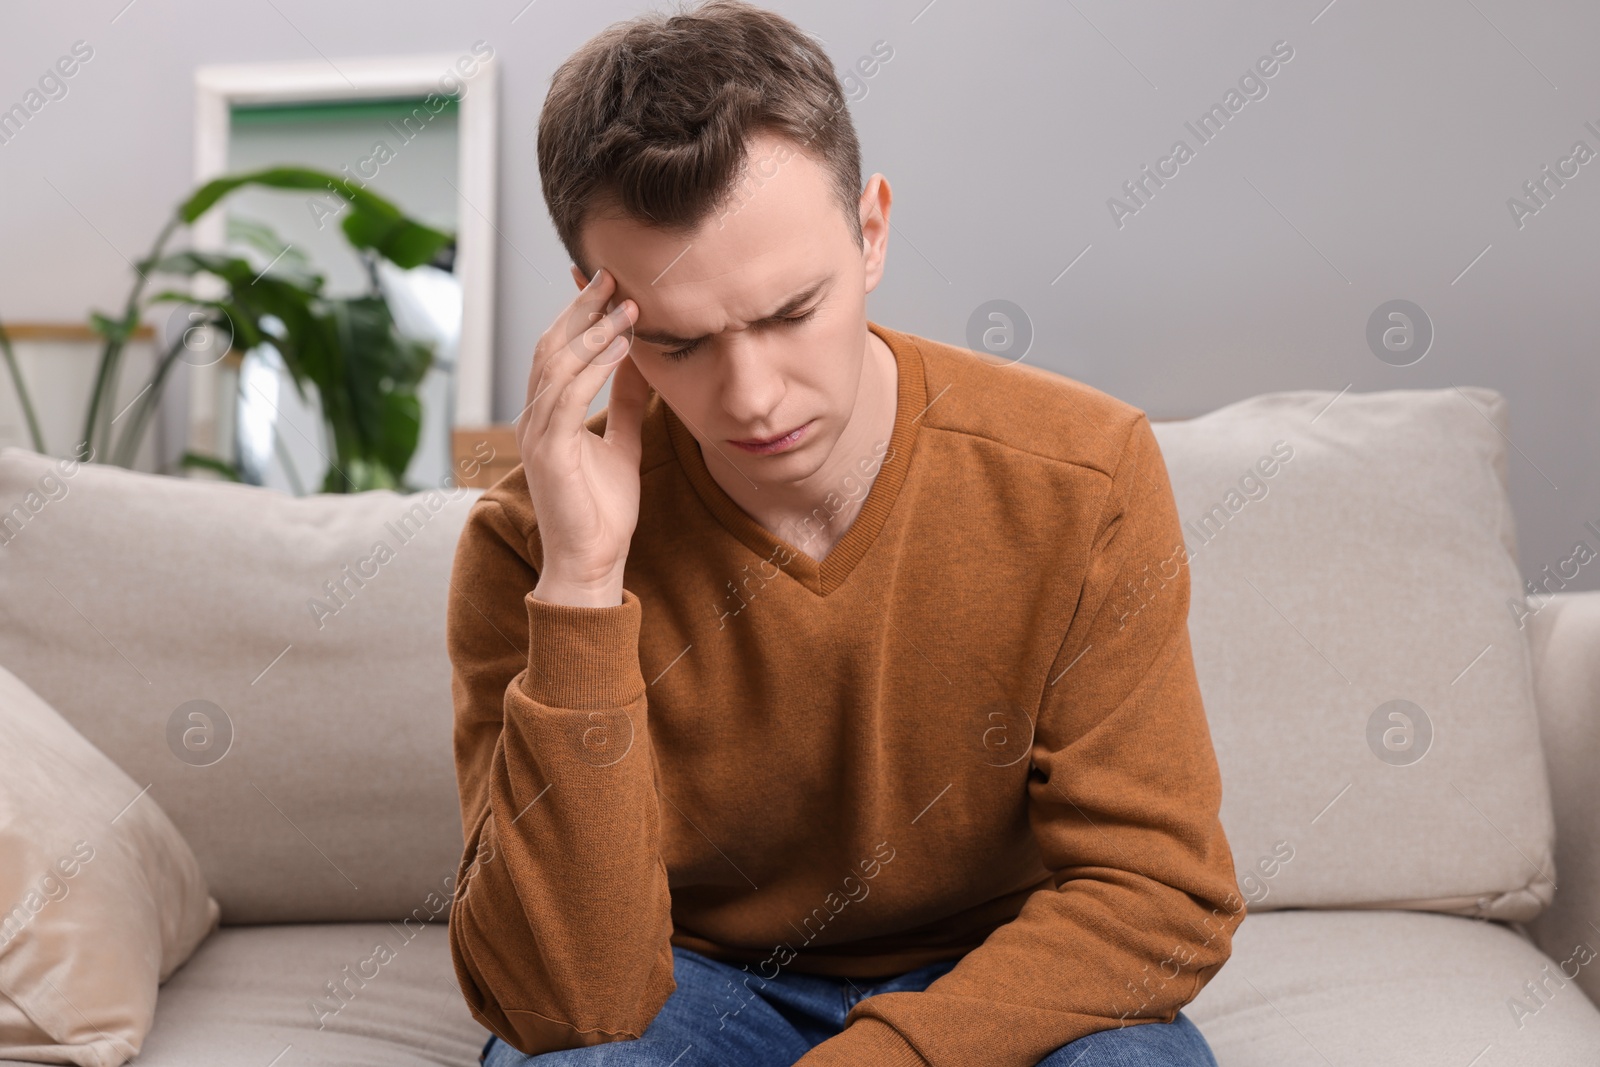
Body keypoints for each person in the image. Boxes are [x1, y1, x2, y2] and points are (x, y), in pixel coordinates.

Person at [445, 3, 1244, 1064]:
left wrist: (890, 1053)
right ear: (598, 314)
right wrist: (584, 581)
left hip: (996, 972)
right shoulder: (526, 545)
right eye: (678, 342)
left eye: (788, 312)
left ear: (870, 231)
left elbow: (1160, 889)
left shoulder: (1085, 474)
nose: (752, 396)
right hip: (687, 988)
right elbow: (563, 1003)